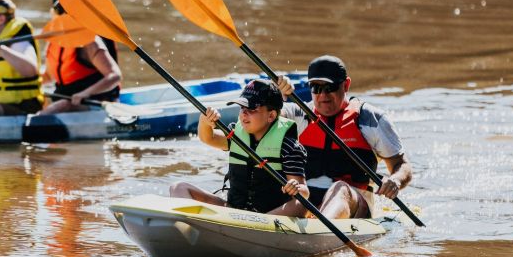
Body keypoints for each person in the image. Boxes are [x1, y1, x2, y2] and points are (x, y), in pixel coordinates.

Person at [275, 55, 413, 219]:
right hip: (305, 199)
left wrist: (395, 181)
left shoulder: (371, 119)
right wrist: (277, 95)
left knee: (339, 188)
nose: (323, 95)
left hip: (354, 202)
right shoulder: (298, 114)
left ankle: (321, 230)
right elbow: (261, 117)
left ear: (346, 85)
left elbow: (401, 164)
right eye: (316, 88)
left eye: (329, 87)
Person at [169, 79, 310, 215]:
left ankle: (257, 226)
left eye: (252, 108)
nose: (244, 113)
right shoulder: (235, 133)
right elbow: (208, 138)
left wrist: (296, 187)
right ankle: (191, 224)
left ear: (271, 115)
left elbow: (304, 192)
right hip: (233, 210)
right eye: (242, 107)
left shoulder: (289, 146)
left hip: (270, 217)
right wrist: (204, 120)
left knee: (302, 203)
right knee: (178, 188)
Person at [39, 0, 122, 114]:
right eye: (58, 12)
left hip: (95, 103)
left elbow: (114, 76)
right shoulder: (54, 41)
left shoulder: (90, 42)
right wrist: (27, 84)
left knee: (61, 106)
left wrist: (86, 93)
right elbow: (48, 76)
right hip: (66, 102)